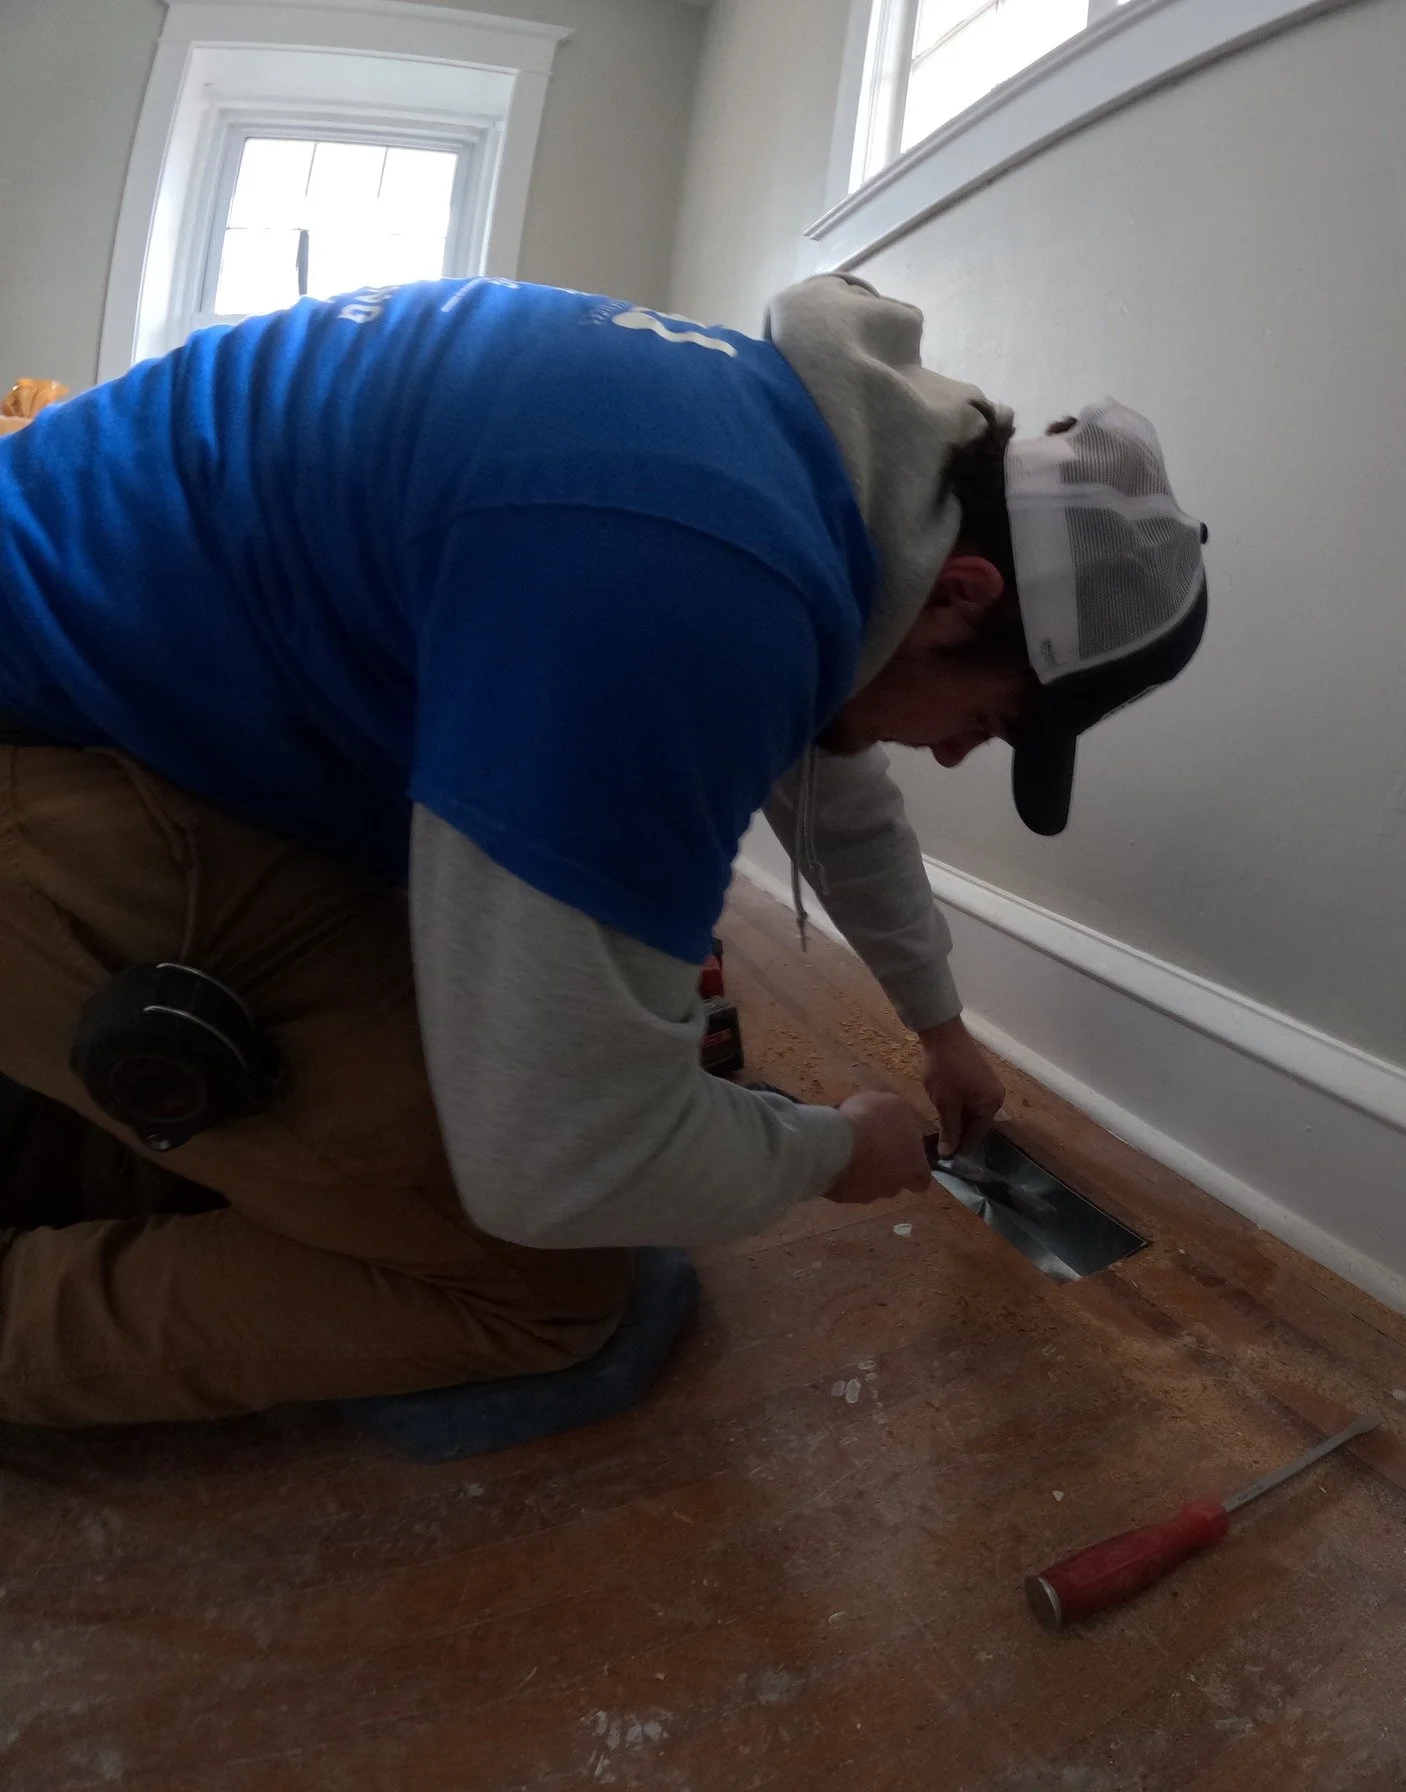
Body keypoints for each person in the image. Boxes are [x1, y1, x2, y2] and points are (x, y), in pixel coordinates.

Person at [0, 273, 1207, 1429]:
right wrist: (832, 1149)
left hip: (117, 710)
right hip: (48, 756)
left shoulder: (794, 461)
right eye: (984, 722)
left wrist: (937, 1029)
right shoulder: (686, 581)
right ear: (961, 592)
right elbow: (560, 1163)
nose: (951, 756)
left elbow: (840, 793)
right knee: (540, 1278)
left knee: (468, 1073)